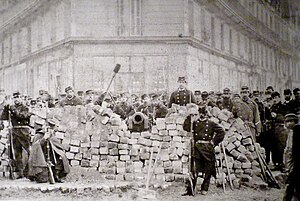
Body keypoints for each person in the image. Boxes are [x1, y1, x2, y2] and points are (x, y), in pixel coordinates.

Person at [182, 105, 225, 196]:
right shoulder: (194, 123)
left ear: (207, 114)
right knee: (194, 168)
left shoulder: (211, 123)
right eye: (201, 114)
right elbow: (185, 127)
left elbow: (221, 131)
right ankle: (191, 189)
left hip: (207, 148)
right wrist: (189, 117)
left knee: (208, 169)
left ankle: (205, 187)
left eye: (204, 114)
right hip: (197, 148)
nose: (203, 116)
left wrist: (213, 142)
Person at [1, 91, 33, 178]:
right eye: (14, 98)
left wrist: (13, 110)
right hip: (14, 131)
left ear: (21, 98)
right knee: (16, 153)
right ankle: (20, 172)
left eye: (18, 97)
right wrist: (5, 109)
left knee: (29, 151)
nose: (16, 99)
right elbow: (3, 117)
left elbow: (23, 116)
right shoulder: (11, 108)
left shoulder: (25, 107)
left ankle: (30, 171)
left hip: (24, 131)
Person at [28, 119, 70, 183]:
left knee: (62, 157)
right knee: (42, 179)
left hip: (52, 160)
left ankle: (56, 175)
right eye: (48, 127)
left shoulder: (52, 136)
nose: (50, 130)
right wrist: (44, 139)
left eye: (51, 128)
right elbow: (35, 149)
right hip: (41, 160)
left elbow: (58, 147)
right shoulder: (38, 135)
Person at [283, 113, 300, 201]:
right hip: (292, 161)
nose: (288, 124)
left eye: (291, 121)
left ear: (295, 122)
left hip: (296, 161)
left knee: (292, 182)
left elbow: (294, 150)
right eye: (287, 122)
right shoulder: (290, 132)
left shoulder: (297, 130)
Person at [270, 91, 288, 171]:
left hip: (281, 129)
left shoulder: (284, 106)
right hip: (273, 129)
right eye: (273, 98)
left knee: (281, 146)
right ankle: (275, 163)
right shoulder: (272, 107)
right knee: (274, 146)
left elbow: (286, 117)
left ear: (279, 98)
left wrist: (277, 116)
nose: (274, 99)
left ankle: (281, 164)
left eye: (276, 98)